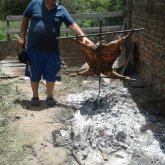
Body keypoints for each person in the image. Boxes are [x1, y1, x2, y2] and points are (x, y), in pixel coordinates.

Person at [18, 0, 94, 107]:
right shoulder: (34, 3)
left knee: (51, 74)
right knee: (34, 74)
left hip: (52, 51)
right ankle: (35, 96)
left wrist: (83, 36)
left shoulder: (61, 10)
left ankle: (50, 97)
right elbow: (25, 18)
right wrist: (21, 35)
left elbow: (72, 24)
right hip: (34, 50)